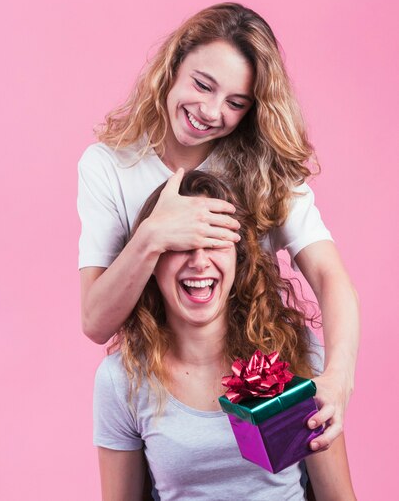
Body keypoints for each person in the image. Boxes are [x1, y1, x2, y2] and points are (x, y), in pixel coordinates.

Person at [78, 3, 358, 451]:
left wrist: (338, 378)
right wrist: (153, 235)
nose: (210, 112)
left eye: (235, 103)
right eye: (202, 85)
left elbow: (329, 274)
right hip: (160, 396)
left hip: (257, 385)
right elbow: (95, 321)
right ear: (172, 65)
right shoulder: (110, 167)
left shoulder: (264, 168)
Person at [93, 171, 356, 501]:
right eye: (180, 245)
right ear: (151, 261)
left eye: (215, 242)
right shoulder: (121, 379)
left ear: (239, 257)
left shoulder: (295, 352)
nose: (199, 262)